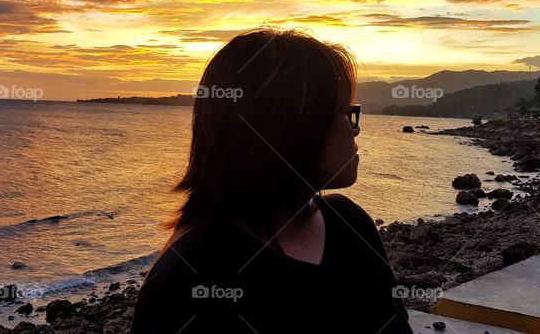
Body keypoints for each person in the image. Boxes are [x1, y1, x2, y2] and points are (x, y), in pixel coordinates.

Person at [132, 29, 413, 333]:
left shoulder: (349, 224)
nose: (355, 130)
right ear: (299, 129)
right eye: (347, 114)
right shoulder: (184, 279)